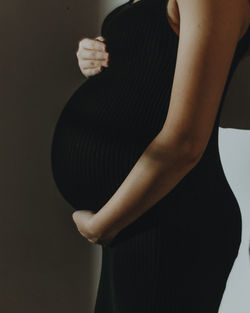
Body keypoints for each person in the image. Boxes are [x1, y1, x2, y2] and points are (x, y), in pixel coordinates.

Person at [51, 0, 250, 312]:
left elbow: (185, 143)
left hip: (171, 225)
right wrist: (102, 53)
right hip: (140, 218)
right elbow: (161, 62)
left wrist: (102, 227)